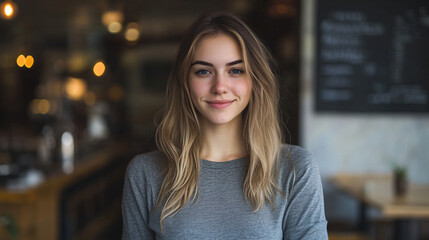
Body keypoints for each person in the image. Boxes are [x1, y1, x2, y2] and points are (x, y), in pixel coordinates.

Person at [122, 12, 328, 240]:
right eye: (204, 71)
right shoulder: (145, 173)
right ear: (185, 82)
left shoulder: (295, 169)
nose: (220, 86)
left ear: (254, 80)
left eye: (236, 70)